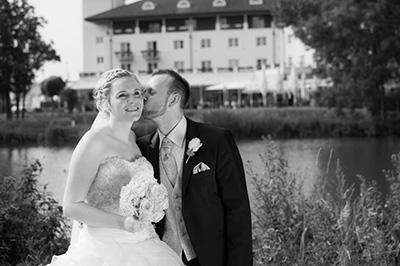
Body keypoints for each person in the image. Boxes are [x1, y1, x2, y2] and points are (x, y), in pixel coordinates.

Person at [46, 69, 183, 266]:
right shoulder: (94, 141)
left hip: (146, 243)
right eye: (122, 95)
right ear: (105, 103)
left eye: (137, 93)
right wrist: (123, 223)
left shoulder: (133, 139)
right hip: (105, 249)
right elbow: (71, 206)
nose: (133, 100)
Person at [137, 69, 253, 266]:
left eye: (151, 92)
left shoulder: (217, 140)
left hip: (210, 258)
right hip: (160, 258)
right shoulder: (141, 148)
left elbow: (238, 211)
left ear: (173, 99)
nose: (142, 96)